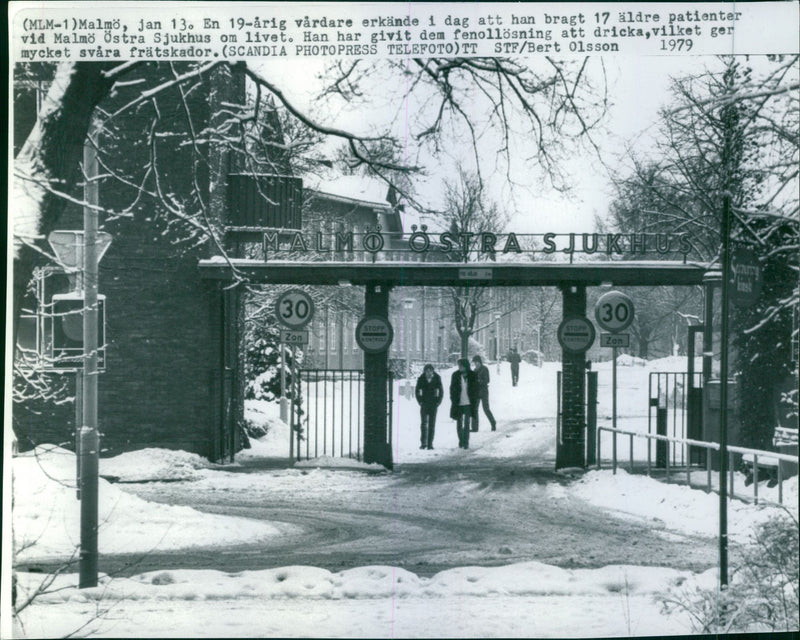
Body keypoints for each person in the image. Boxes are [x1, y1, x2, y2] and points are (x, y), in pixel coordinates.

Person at [449, 358, 479, 449]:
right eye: (459, 366)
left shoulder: (472, 375)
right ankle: (461, 440)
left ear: (466, 366)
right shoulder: (455, 375)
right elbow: (452, 388)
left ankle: (466, 442)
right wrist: (453, 398)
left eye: (461, 366)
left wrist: (474, 398)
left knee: (466, 423)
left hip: (468, 403)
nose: (460, 367)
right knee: (459, 423)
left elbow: (475, 388)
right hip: (458, 402)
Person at [415, 364, 443, 450]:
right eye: (426, 371)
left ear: (432, 371)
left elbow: (441, 391)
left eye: (430, 371)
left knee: (432, 424)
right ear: (424, 371)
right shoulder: (421, 379)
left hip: (433, 405)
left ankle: (430, 444)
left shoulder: (437, 379)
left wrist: (438, 402)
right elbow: (417, 391)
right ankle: (423, 443)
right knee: (423, 424)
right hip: (424, 404)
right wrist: (420, 401)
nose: (428, 373)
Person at [471, 355, 497, 431]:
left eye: (476, 362)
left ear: (479, 362)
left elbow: (487, 380)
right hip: (476, 392)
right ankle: (474, 428)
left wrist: (479, 381)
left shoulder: (484, 369)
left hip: (484, 391)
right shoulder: (474, 370)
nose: (475, 364)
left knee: (486, 409)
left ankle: (493, 423)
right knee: (474, 409)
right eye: (474, 363)